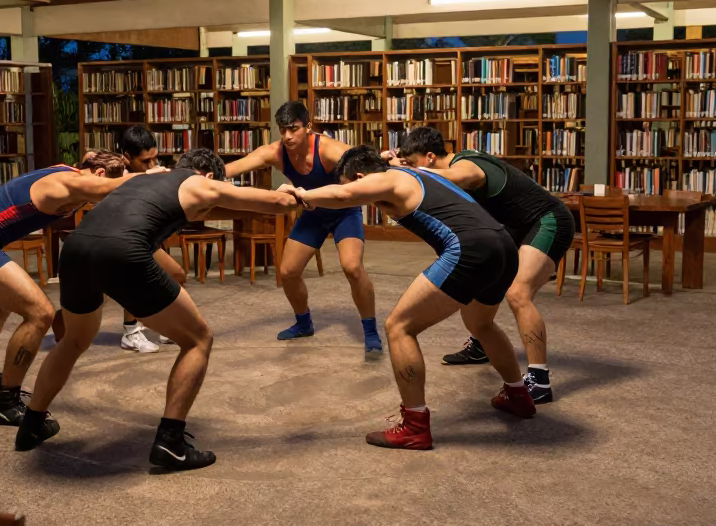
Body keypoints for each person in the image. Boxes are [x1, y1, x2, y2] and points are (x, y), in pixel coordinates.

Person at [16, 148, 300, 469]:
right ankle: (171, 443)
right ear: (208, 175)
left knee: (73, 340)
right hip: (122, 252)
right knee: (198, 339)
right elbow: (277, 203)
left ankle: (32, 424)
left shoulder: (145, 179)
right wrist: (291, 194)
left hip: (76, 250)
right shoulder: (199, 182)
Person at [292, 146, 536, 450]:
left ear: (360, 177)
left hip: (470, 249)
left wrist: (301, 194)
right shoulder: (413, 173)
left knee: (399, 327)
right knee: (481, 324)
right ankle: (518, 396)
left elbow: (344, 195)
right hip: (503, 246)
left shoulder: (387, 179)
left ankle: (415, 427)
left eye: (353, 184)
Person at [0, 151, 132, 426]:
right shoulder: (67, 183)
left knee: (3, 303)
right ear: (99, 174)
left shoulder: (69, 171)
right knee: (40, 314)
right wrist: (161, 176)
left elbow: (95, 165)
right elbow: (111, 186)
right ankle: (6, 404)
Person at [389, 127, 574, 403]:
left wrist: (405, 172)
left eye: (414, 164)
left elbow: (454, 178)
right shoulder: (444, 164)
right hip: (514, 226)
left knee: (518, 294)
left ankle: (539, 380)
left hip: (547, 220)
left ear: (429, 157)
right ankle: (480, 345)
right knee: (479, 284)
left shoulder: (467, 164)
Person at [223, 101, 382, 352]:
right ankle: (303, 323)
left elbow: (370, 166)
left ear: (308, 127)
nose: (287, 136)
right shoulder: (275, 152)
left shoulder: (328, 149)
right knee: (288, 271)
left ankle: (371, 331)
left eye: (293, 129)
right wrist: (190, 176)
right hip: (313, 214)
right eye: (282, 129)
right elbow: (230, 168)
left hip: (344, 213)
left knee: (352, 267)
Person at [113, 126, 187, 354]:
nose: (152, 165)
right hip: (117, 239)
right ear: (127, 157)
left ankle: (164, 325)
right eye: (145, 161)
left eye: (155, 158)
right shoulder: (116, 174)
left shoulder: (152, 172)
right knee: (134, 281)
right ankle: (130, 332)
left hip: (144, 238)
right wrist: (148, 177)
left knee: (176, 275)